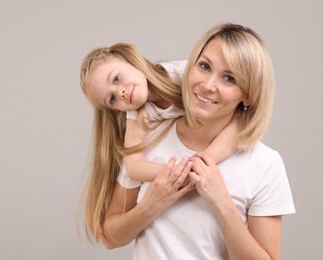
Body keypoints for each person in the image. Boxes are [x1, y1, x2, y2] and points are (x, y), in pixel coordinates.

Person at [101, 23, 295, 259]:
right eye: (204, 66)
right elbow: (109, 237)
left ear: (248, 95)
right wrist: (150, 206)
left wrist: (222, 202)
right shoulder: (147, 141)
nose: (208, 85)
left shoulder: (265, 164)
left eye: (229, 78)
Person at [79, 43, 237, 242]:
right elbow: (134, 168)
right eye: (111, 99)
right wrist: (180, 173)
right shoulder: (137, 115)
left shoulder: (183, 73)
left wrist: (200, 165)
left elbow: (241, 118)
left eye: (116, 79)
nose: (119, 93)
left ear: (130, 59)